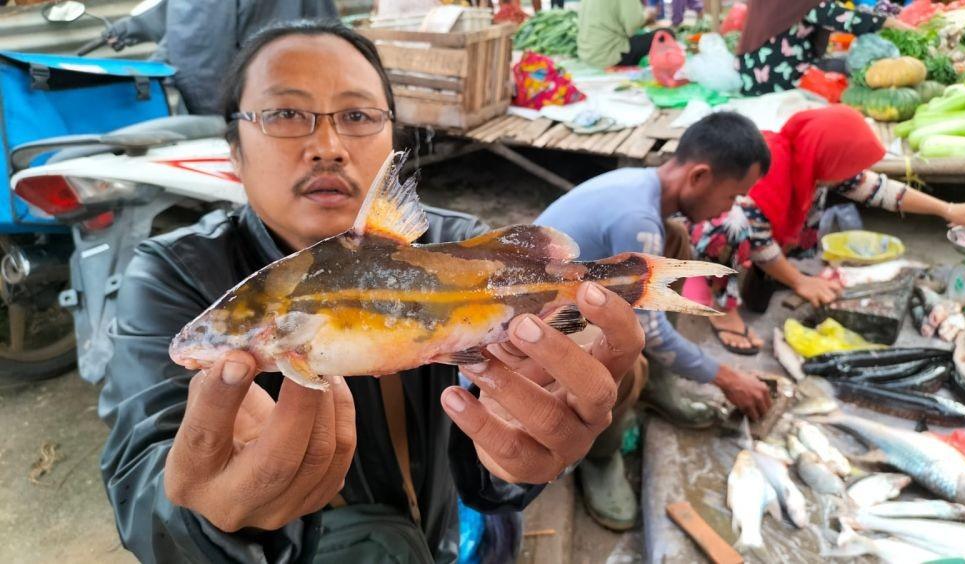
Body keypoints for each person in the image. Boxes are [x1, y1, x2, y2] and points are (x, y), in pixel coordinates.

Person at [97, 20, 647, 562]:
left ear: (392, 136)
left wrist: (541, 438)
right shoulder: (172, 273)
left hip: (440, 532)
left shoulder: (458, 245)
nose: (328, 145)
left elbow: (489, 472)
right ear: (233, 150)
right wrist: (207, 521)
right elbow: (141, 477)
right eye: (285, 113)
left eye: (357, 115)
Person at [534, 112, 773, 530]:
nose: (730, 208)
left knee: (673, 243)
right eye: (733, 196)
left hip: (567, 298)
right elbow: (655, 334)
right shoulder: (637, 218)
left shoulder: (643, 187)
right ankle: (599, 454)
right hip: (531, 333)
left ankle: (659, 387)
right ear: (699, 176)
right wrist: (727, 378)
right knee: (633, 356)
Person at [689, 105, 965, 354]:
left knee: (813, 198)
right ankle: (723, 308)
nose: (855, 175)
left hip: (760, 231)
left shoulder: (812, 158)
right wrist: (800, 282)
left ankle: (776, 270)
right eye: (849, 165)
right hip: (710, 228)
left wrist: (948, 209)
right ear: (831, 156)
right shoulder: (768, 168)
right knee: (727, 227)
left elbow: (882, 190)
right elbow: (756, 237)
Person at [100, 0, 340, 115]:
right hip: (218, 103)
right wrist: (129, 29)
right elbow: (179, 15)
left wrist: (223, 119)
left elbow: (200, 44)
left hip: (250, 104)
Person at [737, 0, 911, 96]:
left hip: (751, 75)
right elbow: (841, 18)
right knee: (849, 69)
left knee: (841, 62)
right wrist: (890, 23)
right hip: (777, 79)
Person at [577, 0, 663, 68]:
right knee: (664, 34)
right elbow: (633, 25)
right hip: (609, 55)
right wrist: (647, 15)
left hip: (587, 53)